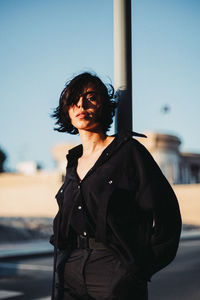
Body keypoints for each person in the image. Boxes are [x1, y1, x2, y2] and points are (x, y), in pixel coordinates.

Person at [50, 72, 182, 300]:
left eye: (90, 97)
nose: (81, 104)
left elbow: (167, 213)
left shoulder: (129, 153)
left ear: (104, 105)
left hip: (114, 271)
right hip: (70, 269)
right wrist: (63, 261)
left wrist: (140, 268)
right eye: (74, 100)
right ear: (67, 111)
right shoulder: (72, 163)